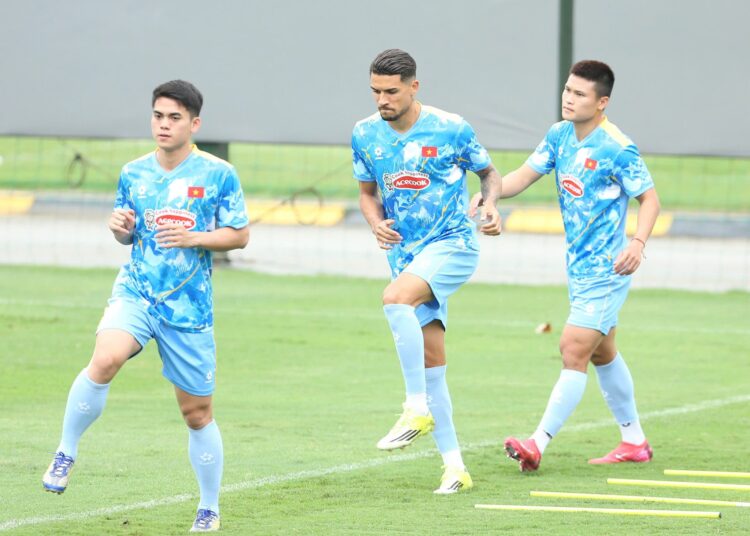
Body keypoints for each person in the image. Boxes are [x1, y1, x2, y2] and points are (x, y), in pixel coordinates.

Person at [42, 80, 249, 532]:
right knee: (105, 358)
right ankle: (65, 451)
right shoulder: (133, 172)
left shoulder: (218, 174)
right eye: (158, 116)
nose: (163, 125)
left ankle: (209, 507)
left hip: (189, 308)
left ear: (194, 124)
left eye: (174, 117)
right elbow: (127, 233)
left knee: (197, 413)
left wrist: (196, 238)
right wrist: (120, 228)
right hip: (137, 292)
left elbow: (239, 235)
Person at [471, 60, 660, 471]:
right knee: (602, 353)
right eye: (567, 90)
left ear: (602, 102)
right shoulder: (559, 135)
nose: (569, 98)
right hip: (577, 267)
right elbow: (522, 176)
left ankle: (536, 444)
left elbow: (650, 199)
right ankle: (634, 442)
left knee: (573, 347)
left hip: (608, 270)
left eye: (579, 94)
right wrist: (490, 196)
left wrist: (637, 243)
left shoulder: (617, 147)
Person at [352, 49, 502, 493]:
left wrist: (490, 204)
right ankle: (456, 469)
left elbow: (489, 174)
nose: (382, 100)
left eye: (391, 91)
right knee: (432, 363)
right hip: (407, 257)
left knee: (394, 298)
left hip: (453, 244)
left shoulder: (451, 128)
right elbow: (366, 193)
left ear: (414, 87)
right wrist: (375, 222)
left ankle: (414, 407)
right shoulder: (364, 134)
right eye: (376, 91)